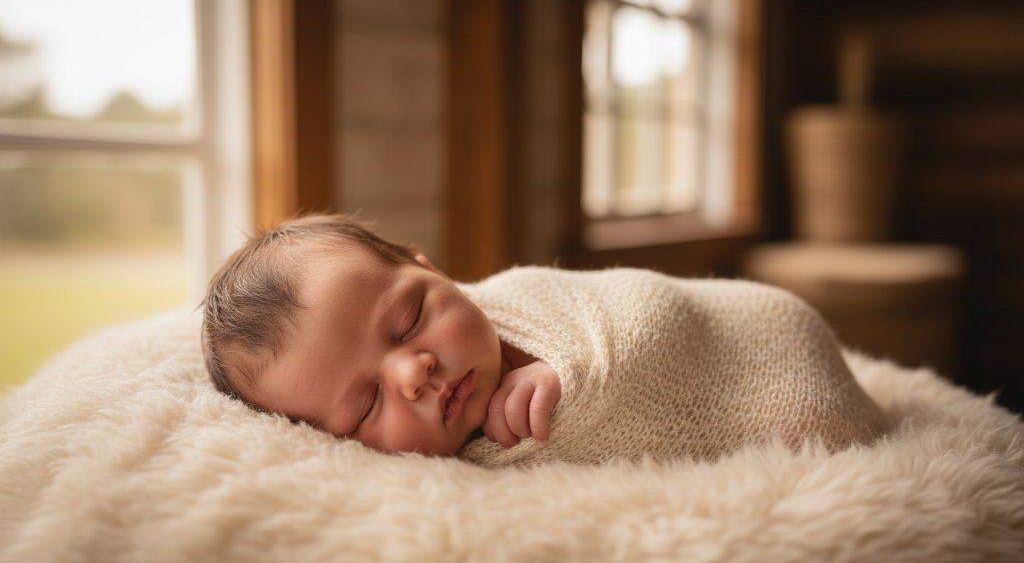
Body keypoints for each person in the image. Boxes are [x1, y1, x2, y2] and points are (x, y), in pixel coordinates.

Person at [202, 214, 885, 467]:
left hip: (761, 334)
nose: (414, 370)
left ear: (432, 271)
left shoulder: (523, 302)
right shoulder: (427, 483)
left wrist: (565, 373)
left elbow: (646, 313)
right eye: (366, 404)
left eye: (409, 319)